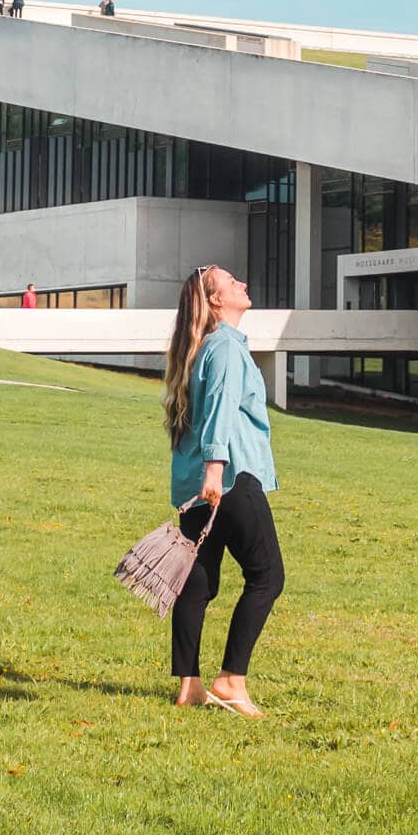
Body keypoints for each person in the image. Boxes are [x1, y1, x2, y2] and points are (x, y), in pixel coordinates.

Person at [161, 263, 283, 718]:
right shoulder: (228, 347)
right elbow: (221, 413)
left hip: (198, 484)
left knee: (198, 582)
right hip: (230, 477)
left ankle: (189, 685)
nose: (243, 285)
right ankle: (231, 680)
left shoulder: (202, 350)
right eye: (233, 283)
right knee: (268, 576)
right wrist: (217, 467)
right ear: (216, 300)